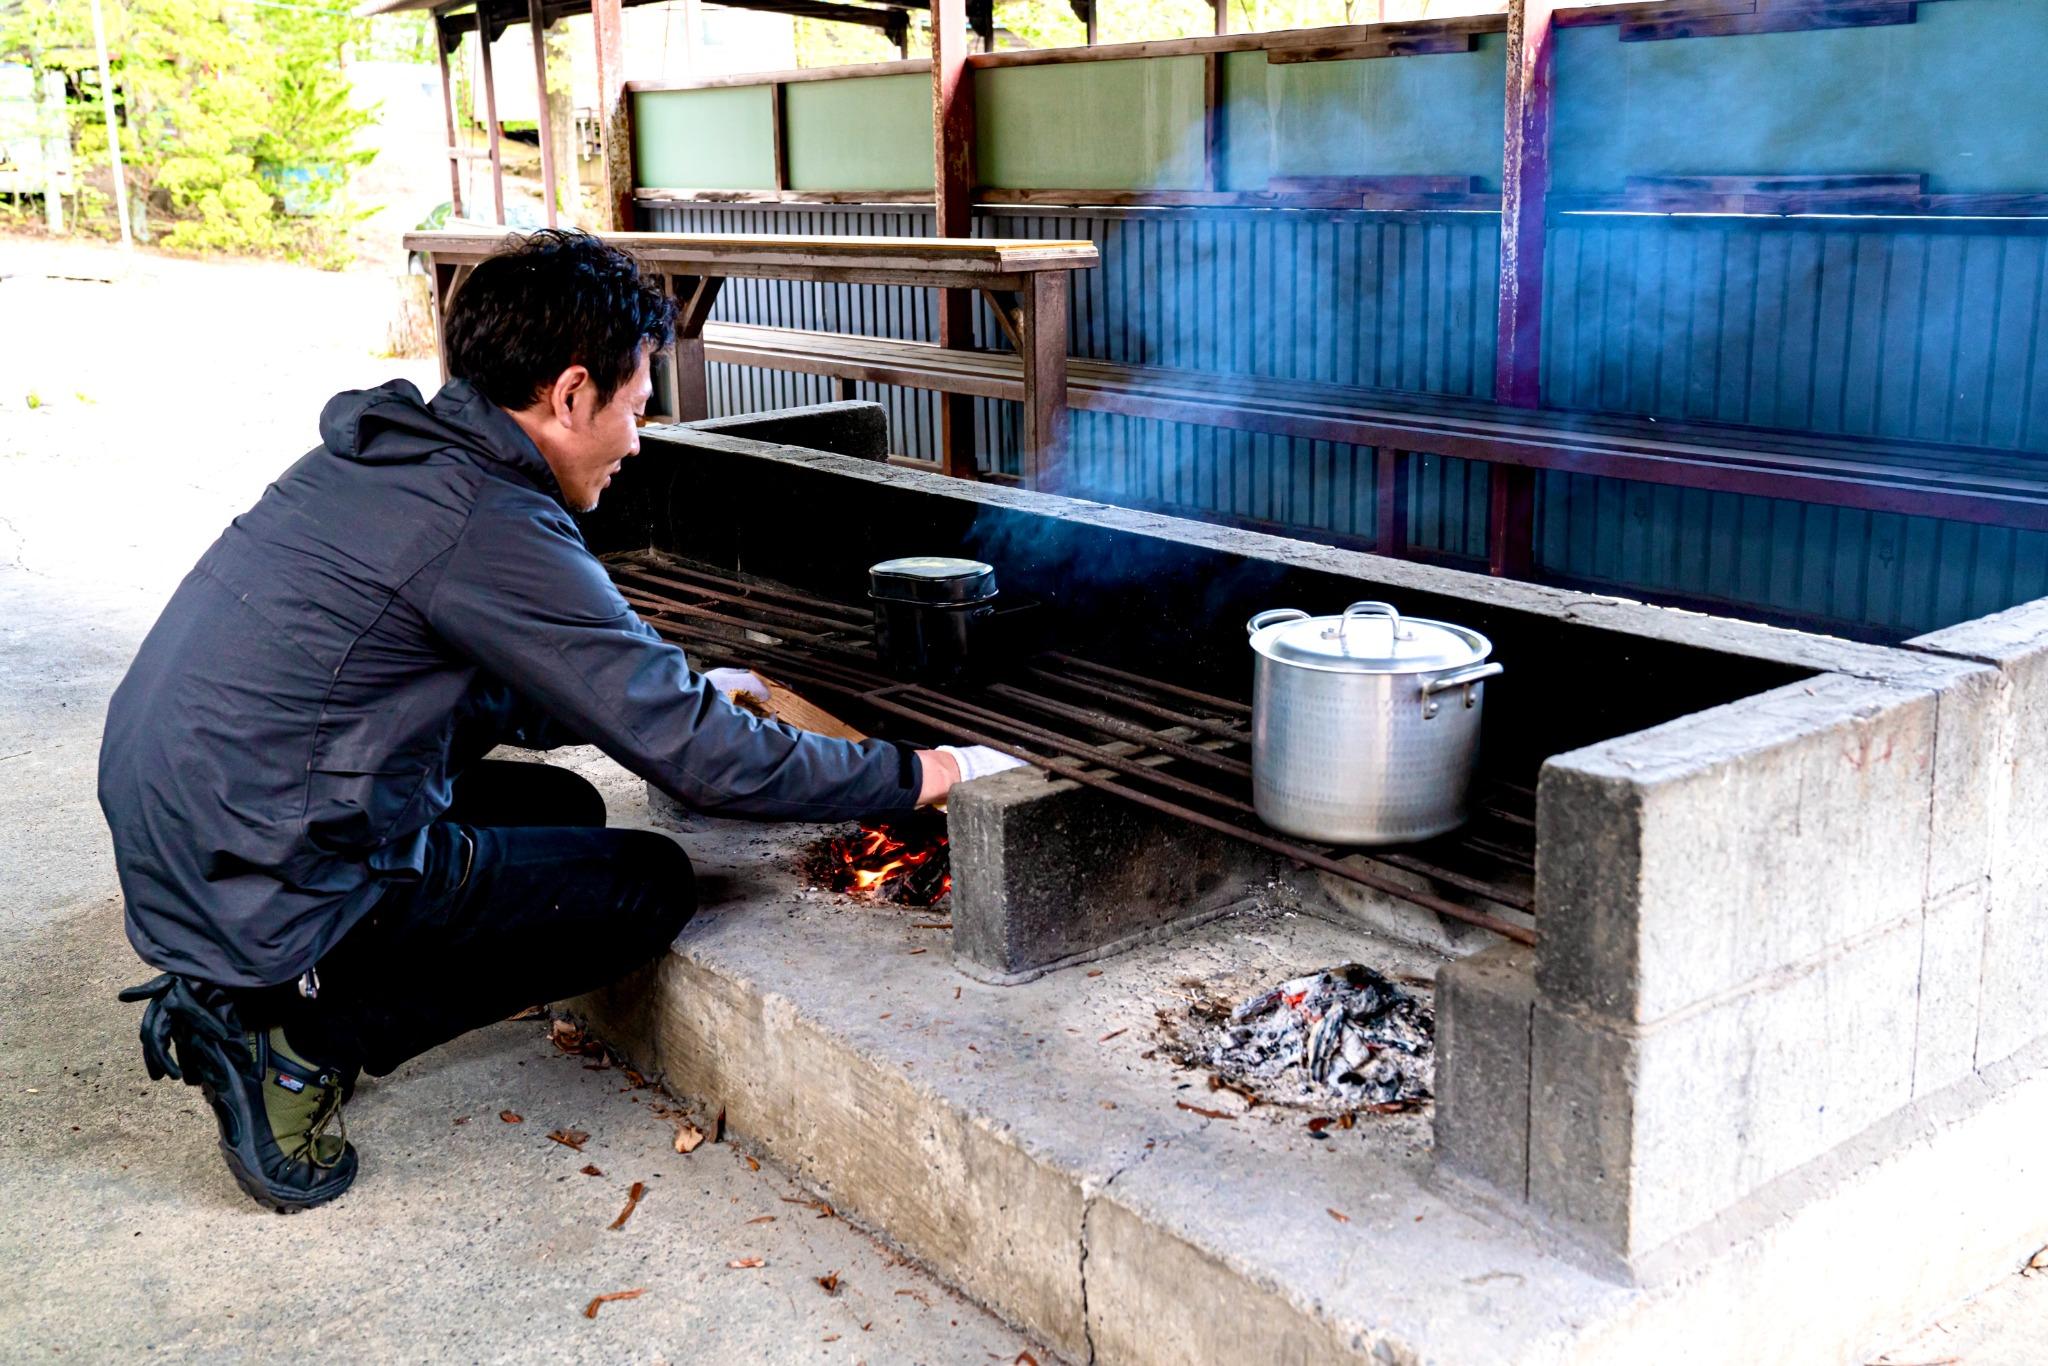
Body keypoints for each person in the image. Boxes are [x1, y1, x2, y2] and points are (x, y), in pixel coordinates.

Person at [99, 229, 1019, 1214]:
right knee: (645, 886)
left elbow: (483, 677)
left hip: (201, 829)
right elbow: (702, 768)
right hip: (267, 877)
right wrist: (926, 773)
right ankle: (289, 1037)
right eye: (635, 404)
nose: (637, 436)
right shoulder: (486, 518)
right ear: (572, 393)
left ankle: (259, 980)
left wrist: (663, 686)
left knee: (565, 805)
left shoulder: (406, 454)